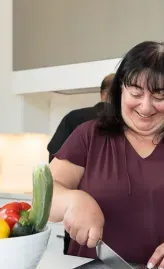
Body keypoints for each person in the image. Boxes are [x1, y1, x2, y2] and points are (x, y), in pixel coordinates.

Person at [48, 41, 164, 269]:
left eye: (160, 95)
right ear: (120, 91)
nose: (146, 107)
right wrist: (73, 200)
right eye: (136, 93)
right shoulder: (88, 135)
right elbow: (45, 194)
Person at [47, 73, 115, 254]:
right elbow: (51, 184)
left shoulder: (74, 118)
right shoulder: (87, 128)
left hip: (77, 219)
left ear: (102, 94)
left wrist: (68, 197)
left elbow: (52, 164)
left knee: (77, 257)